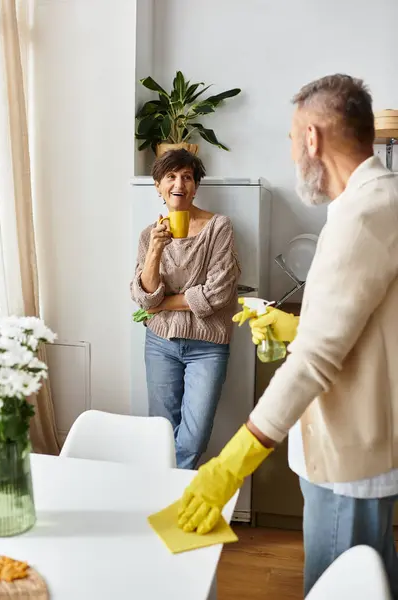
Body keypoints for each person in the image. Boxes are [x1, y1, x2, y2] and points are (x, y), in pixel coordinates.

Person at [177, 74, 398, 598]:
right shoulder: (374, 202)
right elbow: (362, 330)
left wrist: (231, 463)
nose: (292, 149)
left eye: (292, 136)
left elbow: (318, 360)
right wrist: (297, 326)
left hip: (347, 459)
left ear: (314, 138)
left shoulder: (365, 214)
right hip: (351, 450)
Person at [130, 149, 241, 470]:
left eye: (187, 177)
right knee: (161, 433)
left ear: (195, 187)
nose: (179, 183)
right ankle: (166, 504)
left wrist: (164, 303)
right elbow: (143, 298)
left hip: (208, 347)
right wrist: (154, 251)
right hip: (160, 344)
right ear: (158, 186)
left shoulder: (219, 227)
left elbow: (218, 293)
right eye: (171, 176)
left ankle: (176, 504)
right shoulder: (147, 236)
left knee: (193, 437)